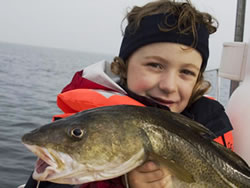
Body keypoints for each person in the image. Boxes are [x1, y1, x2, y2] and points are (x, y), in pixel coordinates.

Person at [24, 0, 234, 187]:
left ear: (198, 80)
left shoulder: (211, 121)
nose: (169, 85)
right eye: (155, 65)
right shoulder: (98, 121)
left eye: (186, 72)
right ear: (124, 66)